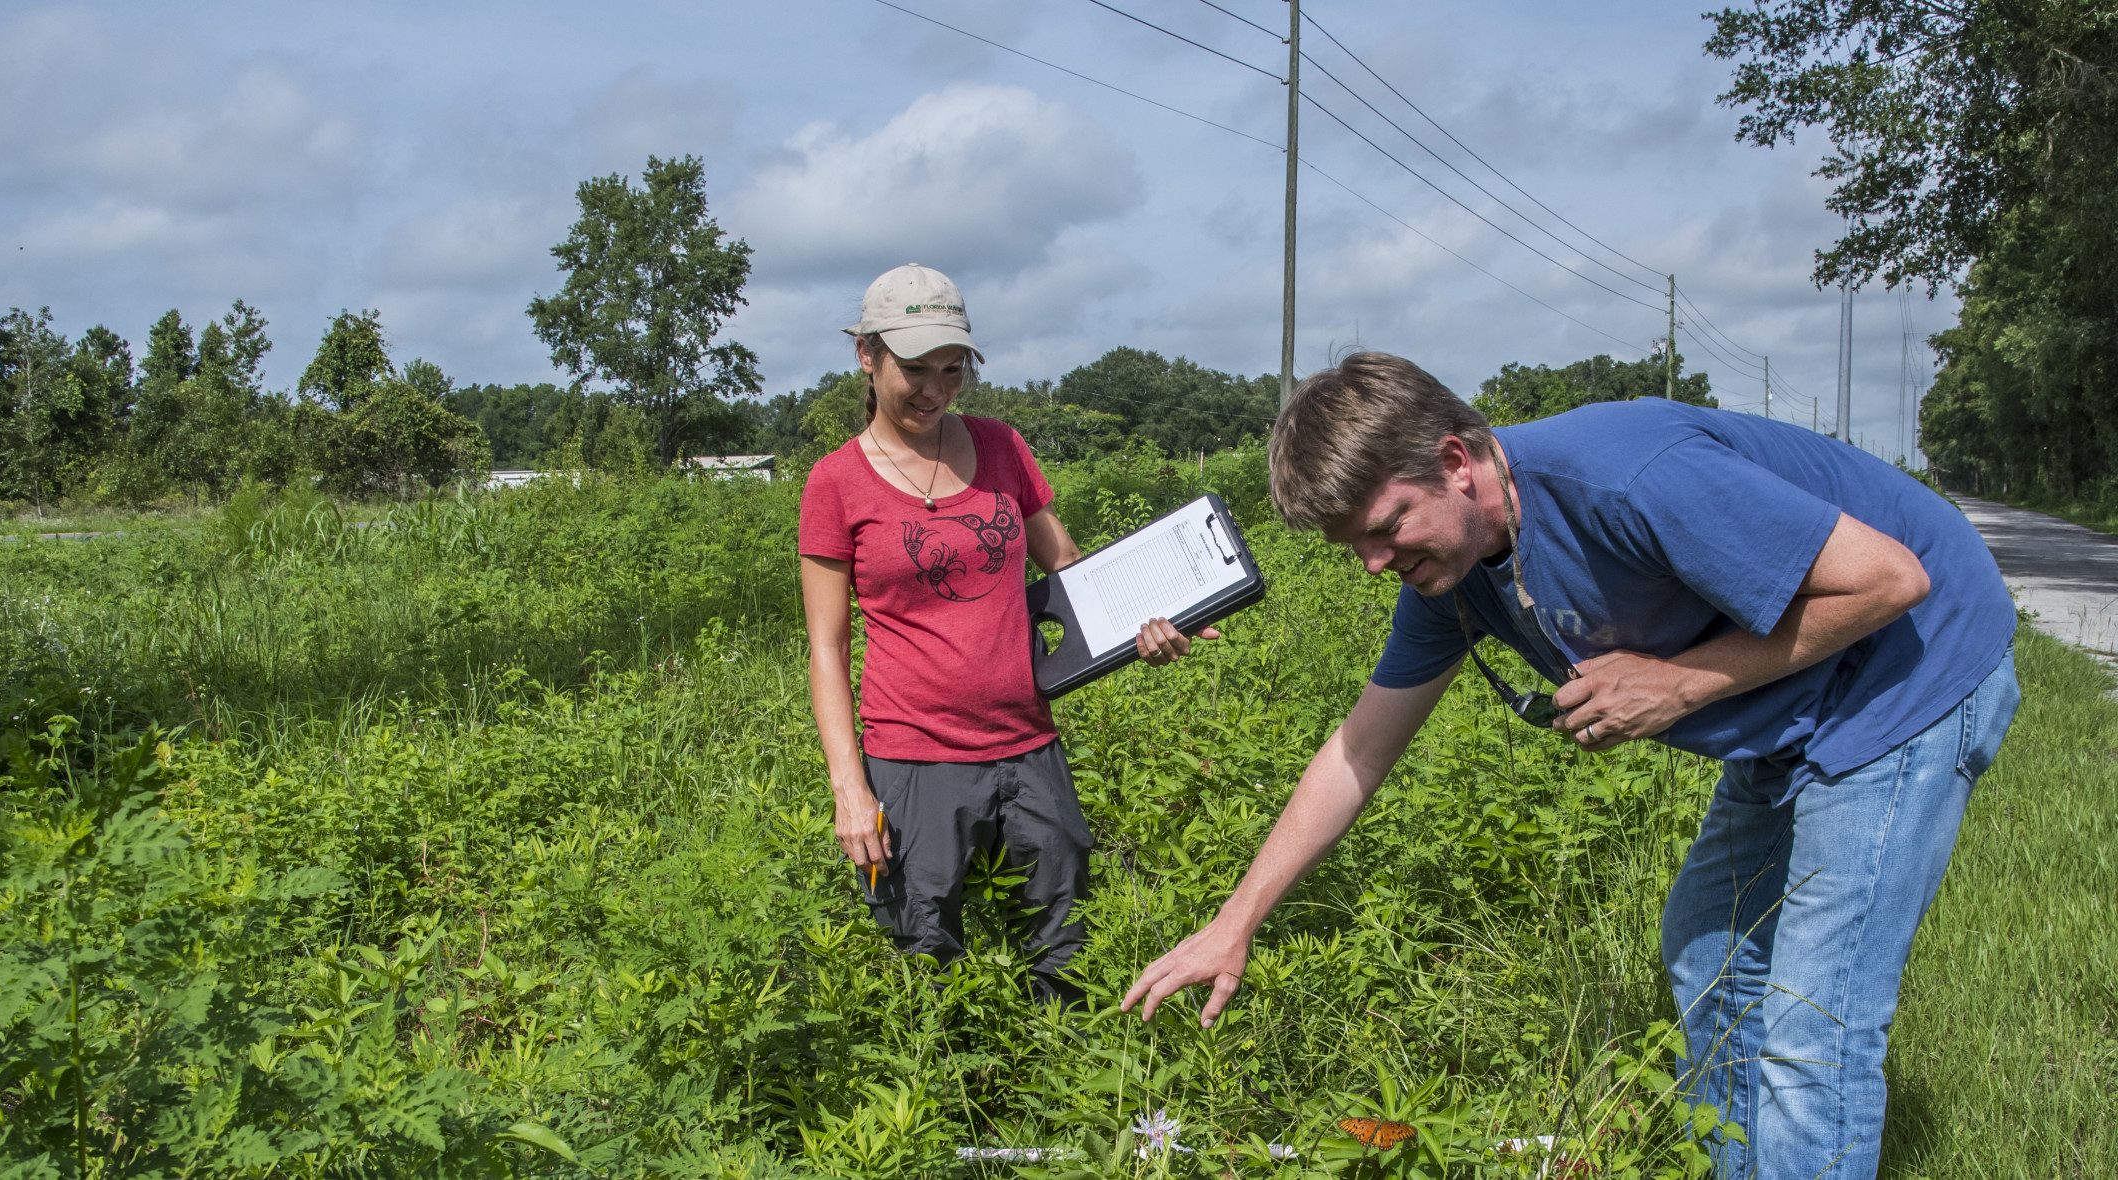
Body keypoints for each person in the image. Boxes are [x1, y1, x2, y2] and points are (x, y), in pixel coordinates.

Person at [1121, 352, 2016, 1179]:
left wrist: (1675, 684)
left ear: (1456, 462)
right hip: (1790, 705)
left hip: (1906, 675)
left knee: (1811, 1022)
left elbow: (1889, 580)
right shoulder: (1454, 569)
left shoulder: (1627, 476)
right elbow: (1360, 748)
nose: (1373, 564)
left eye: (1386, 527)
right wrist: (1233, 922)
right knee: (1707, 946)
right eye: (1351, 545)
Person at [800, 263, 1212, 1004]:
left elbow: (1073, 573)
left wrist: (1150, 622)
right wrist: (849, 788)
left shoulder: (1002, 447)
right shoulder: (835, 483)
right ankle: (960, 1105)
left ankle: (1064, 1088)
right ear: (867, 356)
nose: (935, 389)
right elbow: (826, 648)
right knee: (926, 953)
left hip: (1029, 744)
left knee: (1065, 942)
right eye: (916, 369)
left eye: (953, 369)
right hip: (913, 757)